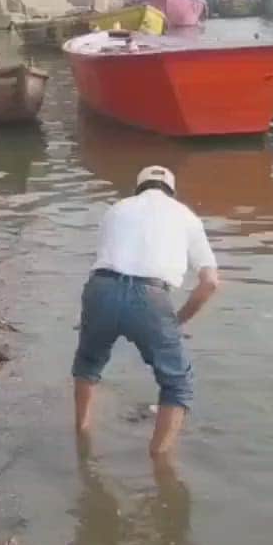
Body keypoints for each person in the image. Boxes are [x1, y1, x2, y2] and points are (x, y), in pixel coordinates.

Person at [72, 165, 219, 458]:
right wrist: (177, 322)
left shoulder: (116, 209)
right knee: (177, 384)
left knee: (88, 363)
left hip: (101, 287)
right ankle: (160, 462)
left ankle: (82, 434)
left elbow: (106, 257)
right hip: (151, 296)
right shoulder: (187, 216)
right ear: (172, 192)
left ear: (137, 188)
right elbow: (211, 283)